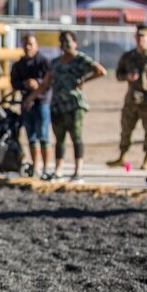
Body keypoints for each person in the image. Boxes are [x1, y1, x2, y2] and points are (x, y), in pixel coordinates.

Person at [30, 31, 106, 182]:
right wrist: (30, 99)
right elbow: (45, 83)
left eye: (68, 41)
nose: (66, 45)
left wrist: (84, 80)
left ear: (75, 43)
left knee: (76, 137)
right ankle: (58, 169)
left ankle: (78, 170)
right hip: (57, 104)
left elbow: (100, 71)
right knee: (59, 139)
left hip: (74, 104)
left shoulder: (80, 59)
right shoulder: (56, 62)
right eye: (63, 42)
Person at [107, 25, 147, 170]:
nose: (140, 39)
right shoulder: (128, 56)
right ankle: (122, 156)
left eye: (143, 37)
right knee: (126, 129)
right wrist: (127, 76)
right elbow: (118, 74)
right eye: (138, 37)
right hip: (132, 98)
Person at [13, 33, 50, 177]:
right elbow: (14, 83)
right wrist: (24, 84)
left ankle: (46, 168)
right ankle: (36, 167)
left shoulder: (44, 62)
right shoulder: (19, 65)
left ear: (37, 45)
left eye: (30, 44)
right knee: (31, 137)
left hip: (42, 102)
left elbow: (49, 82)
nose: (27, 47)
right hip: (26, 104)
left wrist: (38, 83)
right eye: (25, 44)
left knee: (44, 136)